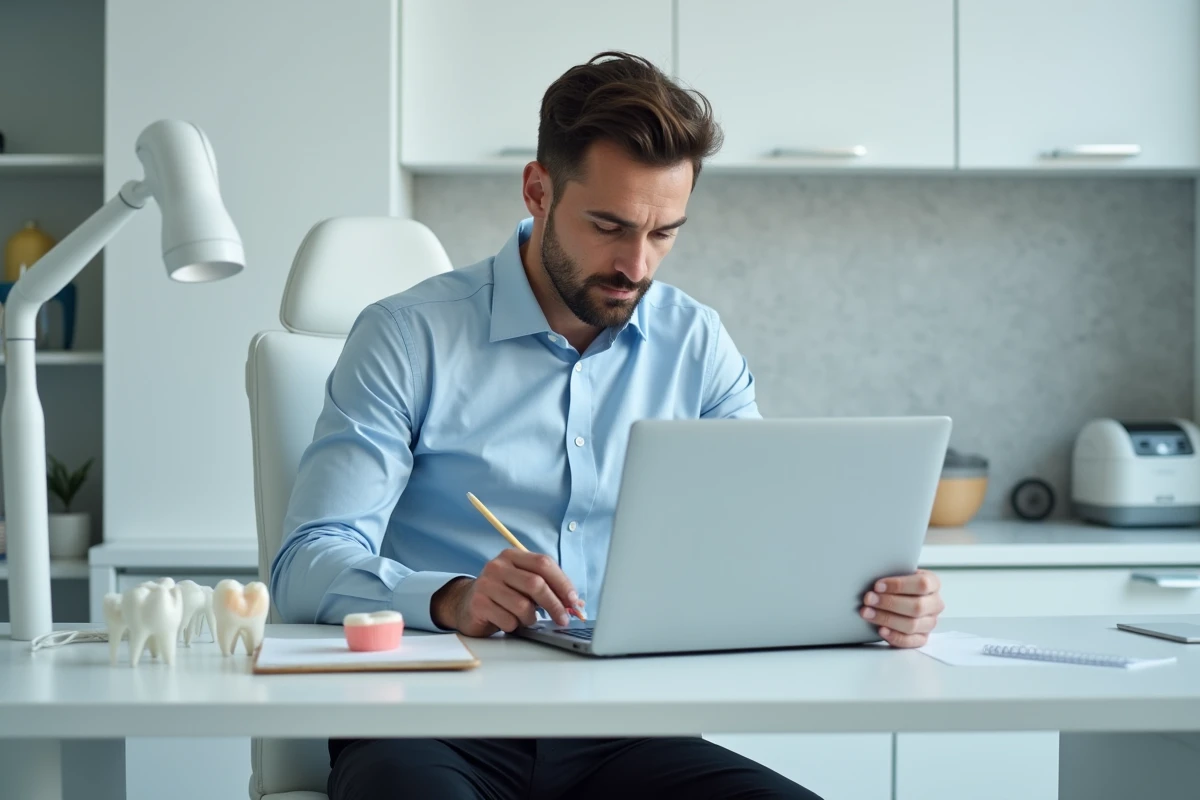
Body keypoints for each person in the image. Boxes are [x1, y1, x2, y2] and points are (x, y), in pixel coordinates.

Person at [272, 50, 945, 800]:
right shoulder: (407, 336)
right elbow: (305, 563)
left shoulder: (696, 344)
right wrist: (453, 598)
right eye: (609, 226)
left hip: (629, 730)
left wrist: (875, 599)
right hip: (431, 720)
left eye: (664, 234)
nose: (636, 265)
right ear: (538, 190)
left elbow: (766, 545)